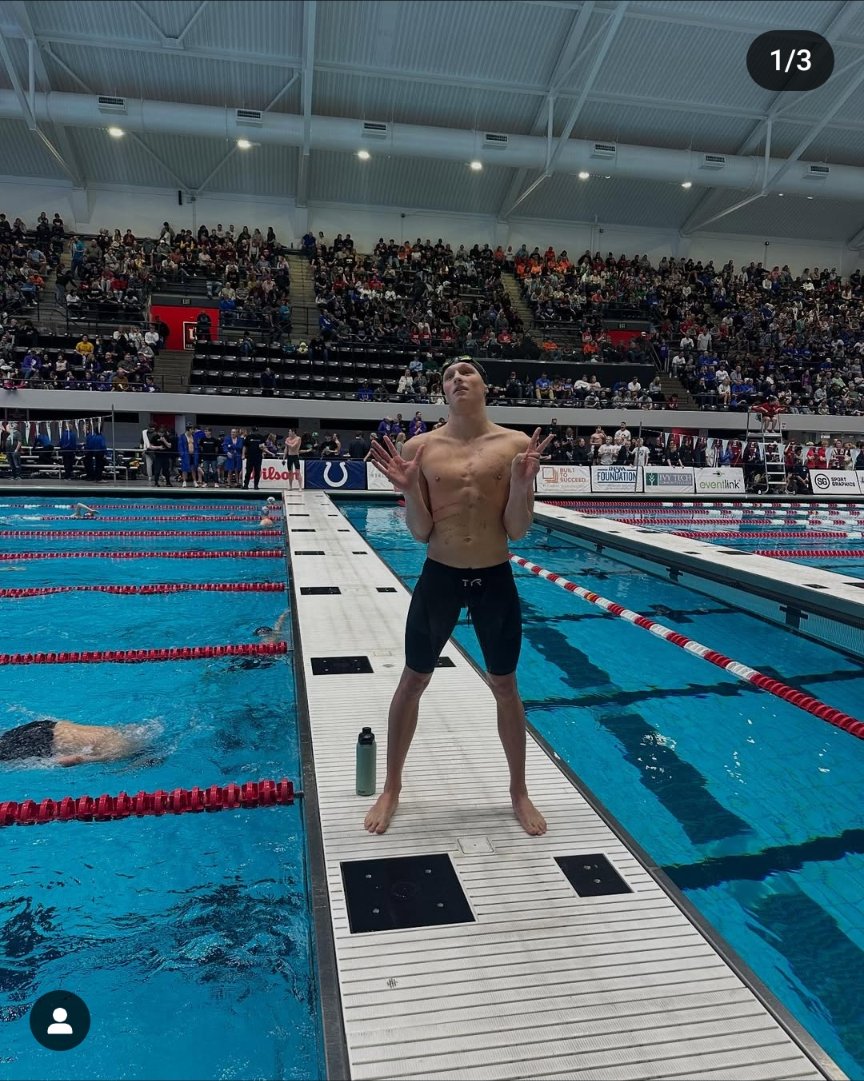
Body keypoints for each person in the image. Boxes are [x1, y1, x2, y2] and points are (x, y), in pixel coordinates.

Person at [365, 356, 553, 837]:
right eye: (448, 376)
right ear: (443, 393)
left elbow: (516, 530)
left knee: (506, 685)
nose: (457, 379)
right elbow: (421, 532)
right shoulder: (421, 447)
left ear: (485, 385)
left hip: (495, 576)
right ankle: (392, 786)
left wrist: (521, 485)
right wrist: (409, 492)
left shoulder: (515, 446)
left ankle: (518, 791)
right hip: (441, 576)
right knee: (412, 680)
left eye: (466, 372)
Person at [0, 719, 146, 767]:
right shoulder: (120, 751)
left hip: (44, 727)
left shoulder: (117, 734)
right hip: (49, 738)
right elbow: (76, 759)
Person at [243, 424, 266, 490]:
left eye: (256, 431)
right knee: (248, 471)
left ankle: (256, 485)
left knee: (257, 471)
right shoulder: (248, 437)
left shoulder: (261, 437)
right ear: (252, 431)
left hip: (258, 457)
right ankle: (246, 485)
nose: (255, 432)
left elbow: (263, 446)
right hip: (250, 457)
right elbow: (245, 446)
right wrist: (243, 454)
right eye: (254, 431)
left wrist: (263, 452)